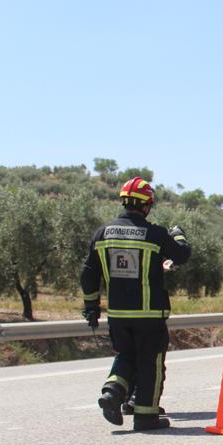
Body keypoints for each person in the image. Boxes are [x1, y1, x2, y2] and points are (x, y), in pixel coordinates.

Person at [80, 177, 191, 431]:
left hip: (118, 314)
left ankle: (112, 391)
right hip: (149, 314)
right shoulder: (155, 234)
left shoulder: (102, 234)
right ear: (147, 205)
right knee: (150, 361)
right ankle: (145, 416)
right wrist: (179, 236)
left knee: (126, 355)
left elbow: (88, 274)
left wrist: (92, 306)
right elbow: (182, 255)